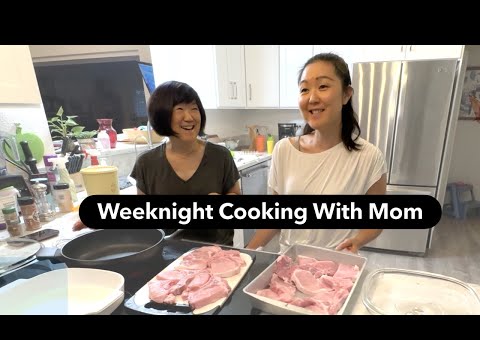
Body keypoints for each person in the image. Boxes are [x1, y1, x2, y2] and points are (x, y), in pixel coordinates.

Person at [246, 53, 387, 253]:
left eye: (323, 86)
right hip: (287, 265)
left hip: (333, 268)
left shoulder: (369, 157)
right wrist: (245, 255)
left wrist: (357, 240)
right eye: (304, 89)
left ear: (346, 94)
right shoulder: (284, 150)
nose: (312, 98)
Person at [74, 80, 240, 246]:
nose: (189, 117)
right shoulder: (147, 163)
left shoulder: (220, 156)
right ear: (162, 116)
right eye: (180, 109)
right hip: (169, 258)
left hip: (219, 254)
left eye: (194, 109)